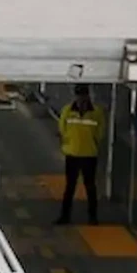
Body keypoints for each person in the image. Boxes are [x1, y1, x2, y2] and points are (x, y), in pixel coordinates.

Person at [57, 84, 106, 225]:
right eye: (79, 95)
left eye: (83, 95)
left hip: (89, 154)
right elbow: (62, 128)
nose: (81, 98)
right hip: (73, 153)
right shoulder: (67, 110)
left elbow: (100, 132)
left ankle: (92, 217)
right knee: (70, 187)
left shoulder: (97, 112)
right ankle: (65, 216)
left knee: (90, 186)